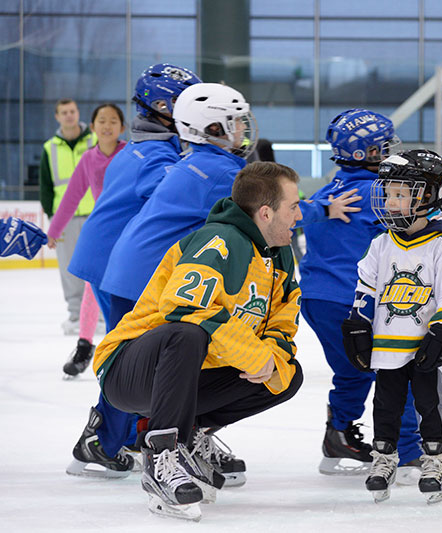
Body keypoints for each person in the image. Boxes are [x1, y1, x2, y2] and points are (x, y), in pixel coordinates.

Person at [91, 161, 304, 521]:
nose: (299, 214)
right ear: (266, 213)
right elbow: (184, 306)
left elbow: (284, 323)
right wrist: (254, 355)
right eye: (294, 206)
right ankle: (162, 455)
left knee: (286, 376)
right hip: (129, 370)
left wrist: (270, 358)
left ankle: (192, 437)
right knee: (187, 333)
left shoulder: (279, 256)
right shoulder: (219, 241)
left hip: (186, 376)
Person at [65, 63, 201, 480]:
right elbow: (176, 199)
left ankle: (120, 435)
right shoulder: (158, 156)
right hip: (118, 263)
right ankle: (101, 439)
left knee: (133, 350)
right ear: (163, 107)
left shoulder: (140, 148)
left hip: (112, 257)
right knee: (131, 354)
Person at [298, 109, 423, 476]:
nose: (390, 152)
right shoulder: (376, 190)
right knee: (397, 368)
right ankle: (405, 451)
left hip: (318, 298)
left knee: (353, 372)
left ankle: (338, 438)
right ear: (363, 153)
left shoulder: (331, 188)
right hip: (351, 299)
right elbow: (417, 229)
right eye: (384, 147)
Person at [342, 149, 442, 504]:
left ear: (428, 195)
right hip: (387, 347)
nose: (392, 202)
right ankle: (383, 459)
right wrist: (358, 322)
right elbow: (365, 286)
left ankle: (436, 460)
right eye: (390, 193)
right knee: (385, 406)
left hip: (423, 346)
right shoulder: (381, 244)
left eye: (403, 193)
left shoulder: (440, 246)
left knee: (430, 404)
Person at [46, 103, 126, 378]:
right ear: (92, 128)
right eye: (101, 120)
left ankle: (125, 345)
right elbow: (70, 197)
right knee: (92, 285)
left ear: (122, 128)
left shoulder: (129, 154)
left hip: (129, 233)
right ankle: (84, 345)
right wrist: (54, 230)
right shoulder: (89, 159)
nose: (107, 125)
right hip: (102, 233)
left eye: (113, 121)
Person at [39, 98, 96, 335]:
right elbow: (45, 186)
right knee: (69, 269)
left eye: (72, 111)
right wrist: (53, 217)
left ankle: (99, 315)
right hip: (66, 220)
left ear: (77, 113)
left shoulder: (94, 140)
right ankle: (75, 316)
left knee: (96, 267)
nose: (69, 115)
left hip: (95, 215)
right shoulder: (49, 147)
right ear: (57, 116)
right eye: (64, 112)